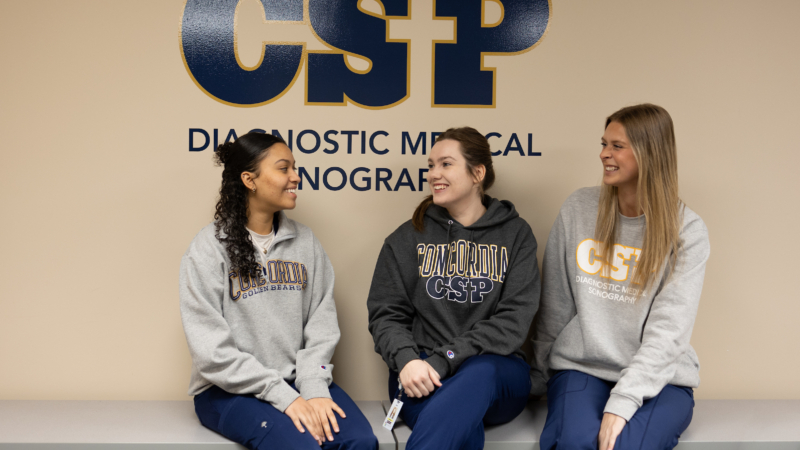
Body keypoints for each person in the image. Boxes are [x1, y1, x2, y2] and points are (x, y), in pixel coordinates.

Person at [179, 132, 377, 450]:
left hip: (299, 379)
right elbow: (211, 352)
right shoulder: (209, 248)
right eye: (284, 169)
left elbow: (322, 327)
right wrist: (285, 397)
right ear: (249, 180)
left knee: (360, 442)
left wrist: (313, 388)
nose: (295, 177)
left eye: (294, 168)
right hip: (227, 391)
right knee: (302, 447)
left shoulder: (306, 242)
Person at [531, 104, 710, 450]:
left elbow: (669, 330)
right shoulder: (578, 209)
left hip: (662, 379)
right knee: (573, 442)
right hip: (582, 367)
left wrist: (624, 400)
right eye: (603, 144)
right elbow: (555, 307)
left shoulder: (687, 230)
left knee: (627, 445)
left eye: (617, 146)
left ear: (649, 153)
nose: (603, 154)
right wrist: (541, 377)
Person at [367, 127, 541, 450]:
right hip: (422, 373)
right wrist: (407, 360)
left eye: (446, 164)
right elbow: (386, 314)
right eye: (431, 165)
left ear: (478, 173)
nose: (434, 174)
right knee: (462, 428)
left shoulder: (516, 235)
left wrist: (447, 358)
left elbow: (512, 322)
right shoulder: (407, 238)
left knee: (479, 373)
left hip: (497, 373)